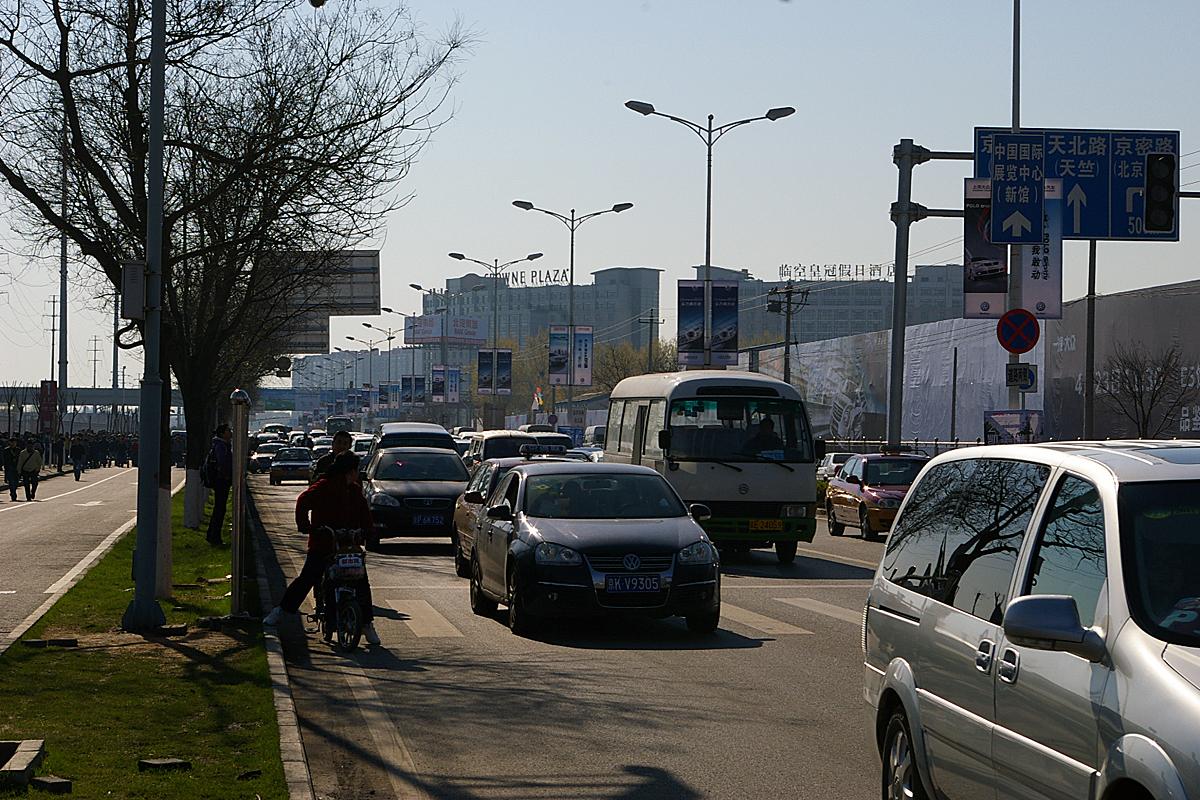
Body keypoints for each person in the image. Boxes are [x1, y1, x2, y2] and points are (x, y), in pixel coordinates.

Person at [263, 453, 380, 645]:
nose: (356, 474)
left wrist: (367, 531)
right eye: (355, 471)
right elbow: (303, 501)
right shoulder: (324, 486)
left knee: (361, 582)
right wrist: (306, 526)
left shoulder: (355, 490)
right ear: (349, 471)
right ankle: (280, 612)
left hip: (348, 546)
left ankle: (367, 624)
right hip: (323, 543)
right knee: (308, 578)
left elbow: (365, 516)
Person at [204, 424, 234, 546]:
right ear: (222, 433)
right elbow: (222, 463)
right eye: (228, 431)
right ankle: (215, 537)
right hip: (221, 481)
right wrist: (226, 476)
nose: (230, 432)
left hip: (220, 480)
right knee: (219, 510)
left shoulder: (220, 445)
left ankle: (212, 535)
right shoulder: (221, 446)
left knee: (219, 509)